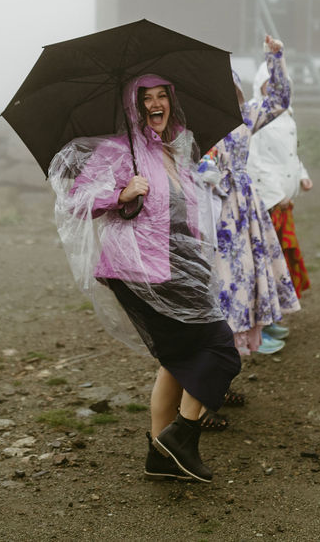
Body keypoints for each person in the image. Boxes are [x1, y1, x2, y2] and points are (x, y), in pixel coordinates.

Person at [49, 73, 241, 484]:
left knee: (177, 361)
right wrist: (118, 195)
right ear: (132, 107)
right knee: (222, 349)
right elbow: (74, 199)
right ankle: (182, 437)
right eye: (145, 99)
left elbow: (185, 216)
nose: (155, 104)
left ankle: (161, 455)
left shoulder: (174, 149)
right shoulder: (119, 152)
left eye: (162, 97)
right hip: (141, 270)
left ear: (171, 101)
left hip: (178, 265)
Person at [210, 36, 301, 359]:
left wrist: (275, 57)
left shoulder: (245, 116)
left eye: (231, 91)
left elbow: (278, 99)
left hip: (245, 208)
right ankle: (221, 345)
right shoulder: (197, 128)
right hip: (211, 209)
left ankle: (247, 333)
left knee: (248, 271)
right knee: (221, 277)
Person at [246, 58, 314, 317]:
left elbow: (290, 153)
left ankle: (275, 312)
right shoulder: (255, 115)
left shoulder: (288, 115)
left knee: (281, 260)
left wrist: (301, 175)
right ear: (260, 85)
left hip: (285, 202)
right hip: (268, 202)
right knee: (266, 259)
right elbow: (255, 160)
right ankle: (265, 316)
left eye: (279, 84)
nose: (274, 88)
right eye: (269, 83)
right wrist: (276, 194)